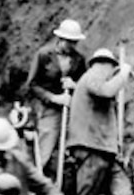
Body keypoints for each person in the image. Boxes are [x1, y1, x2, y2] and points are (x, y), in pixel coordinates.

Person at [64, 49, 134, 195]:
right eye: (112, 69)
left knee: (123, 193)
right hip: (91, 147)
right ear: (106, 65)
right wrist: (123, 74)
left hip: (104, 149)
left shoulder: (92, 79)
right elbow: (107, 90)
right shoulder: (93, 76)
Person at [18, 18, 88, 177]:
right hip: (47, 110)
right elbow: (32, 85)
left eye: (74, 42)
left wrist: (75, 85)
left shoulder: (79, 59)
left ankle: (60, 182)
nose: (71, 46)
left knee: (67, 153)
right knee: (44, 150)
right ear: (60, 39)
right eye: (69, 42)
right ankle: (35, 182)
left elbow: (85, 84)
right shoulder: (44, 55)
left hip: (70, 111)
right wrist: (53, 98)